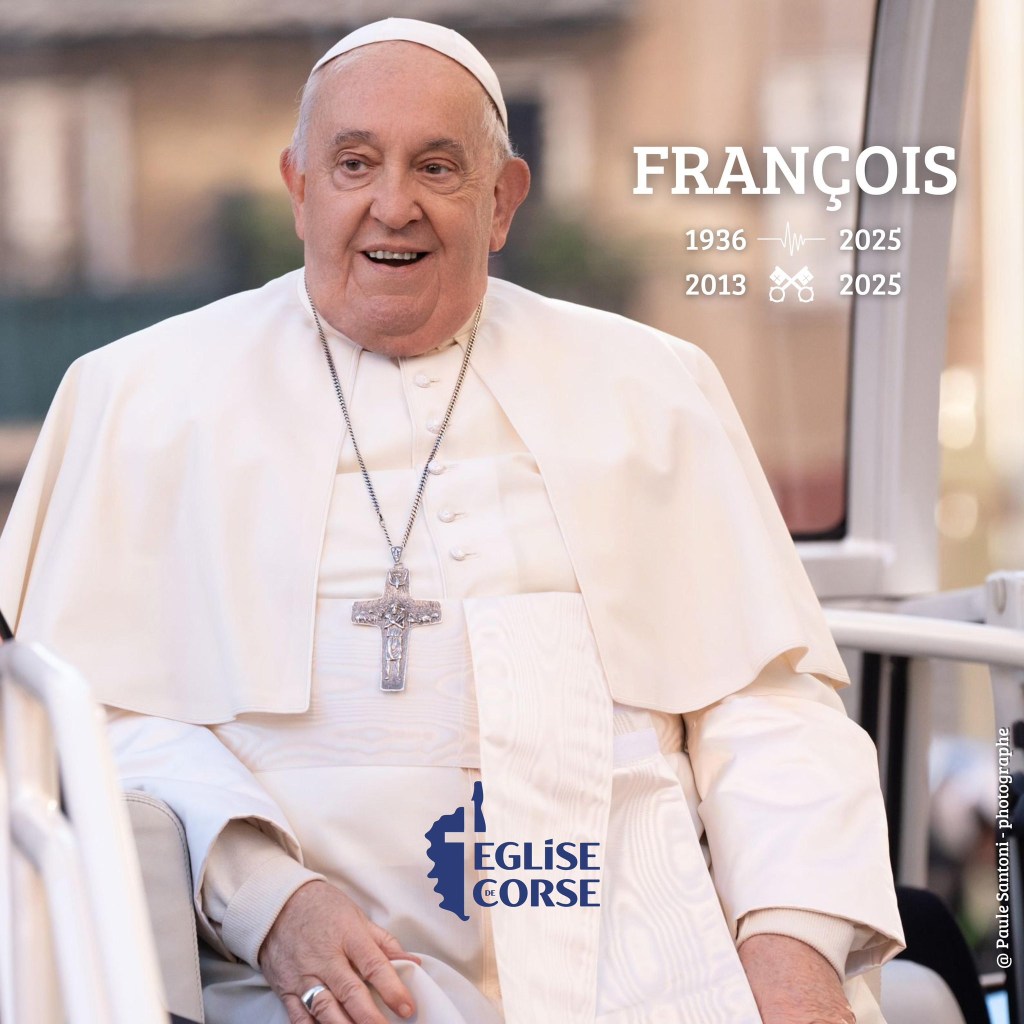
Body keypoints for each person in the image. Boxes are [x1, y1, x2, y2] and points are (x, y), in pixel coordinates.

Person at [0, 18, 904, 1024]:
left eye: (437, 167)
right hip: (302, 984)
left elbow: (768, 710)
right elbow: (83, 716)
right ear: (298, 188)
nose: (394, 206)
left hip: (645, 967)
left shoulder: (652, 386)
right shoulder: (142, 396)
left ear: (503, 200)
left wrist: (790, 953)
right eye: (354, 164)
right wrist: (268, 899)